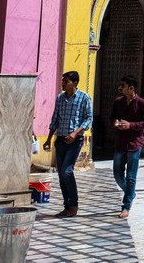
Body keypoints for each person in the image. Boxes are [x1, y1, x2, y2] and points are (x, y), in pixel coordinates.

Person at [42, 71, 92, 218]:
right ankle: (67, 206)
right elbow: (55, 119)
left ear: (75, 83)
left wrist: (75, 133)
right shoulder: (60, 98)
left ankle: (74, 205)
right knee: (61, 174)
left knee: (67, 171)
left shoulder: (84, 98)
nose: (63, 83)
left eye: (66, 81)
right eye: (63, 81)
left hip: (75, 140)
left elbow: (88, 119)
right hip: (61, 140)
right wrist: (49, 139)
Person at [110, 75, 144, 219]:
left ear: (131, 88)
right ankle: (131, 193)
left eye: (123, 85)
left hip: (135, 143)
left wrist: (131, 125)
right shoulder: (118, 102)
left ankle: (126, 206)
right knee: (117, 174)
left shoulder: (142, 104)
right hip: (120, 143)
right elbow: (112, 118)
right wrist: (116, 124)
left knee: (131, 177)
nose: (120, 88)